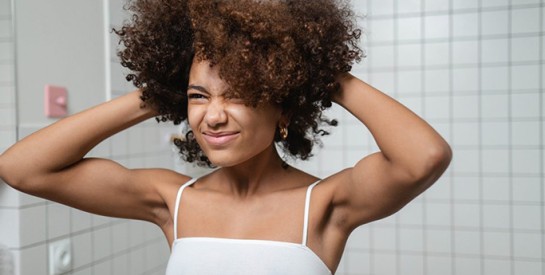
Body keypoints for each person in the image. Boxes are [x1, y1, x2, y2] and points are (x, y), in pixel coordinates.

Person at [0, 0, 452, 274]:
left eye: (238, 94)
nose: (213, 116)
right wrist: (162, 91)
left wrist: (317, 73)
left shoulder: (327, 204)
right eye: (200, 97)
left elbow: (424, 156)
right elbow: (21, 168)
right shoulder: (170, 199)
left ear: (282, 107)